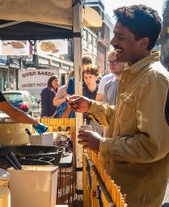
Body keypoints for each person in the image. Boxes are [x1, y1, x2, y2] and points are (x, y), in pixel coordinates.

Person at [69, 5, 169, 207]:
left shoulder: (154, 79)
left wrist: (102, 144)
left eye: (120, 37)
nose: (113, 42)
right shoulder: (135, 74)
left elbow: (152, 147)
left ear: (143, 42)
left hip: (135, 198)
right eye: (114, 35)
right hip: (119, 190)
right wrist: (91, 106)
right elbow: (124, 118)